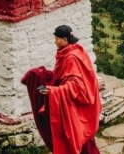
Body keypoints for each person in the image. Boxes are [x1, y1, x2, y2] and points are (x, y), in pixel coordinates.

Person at [21, 25, 101, 154]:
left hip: (73, 103)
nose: (55, 41)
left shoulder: (71, 58)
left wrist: (53, 91)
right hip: (70, 99)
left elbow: (76, 85)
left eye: (57, 39)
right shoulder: (75, 50)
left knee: (75, 133)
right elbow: (64, 76)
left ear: (65, 40)